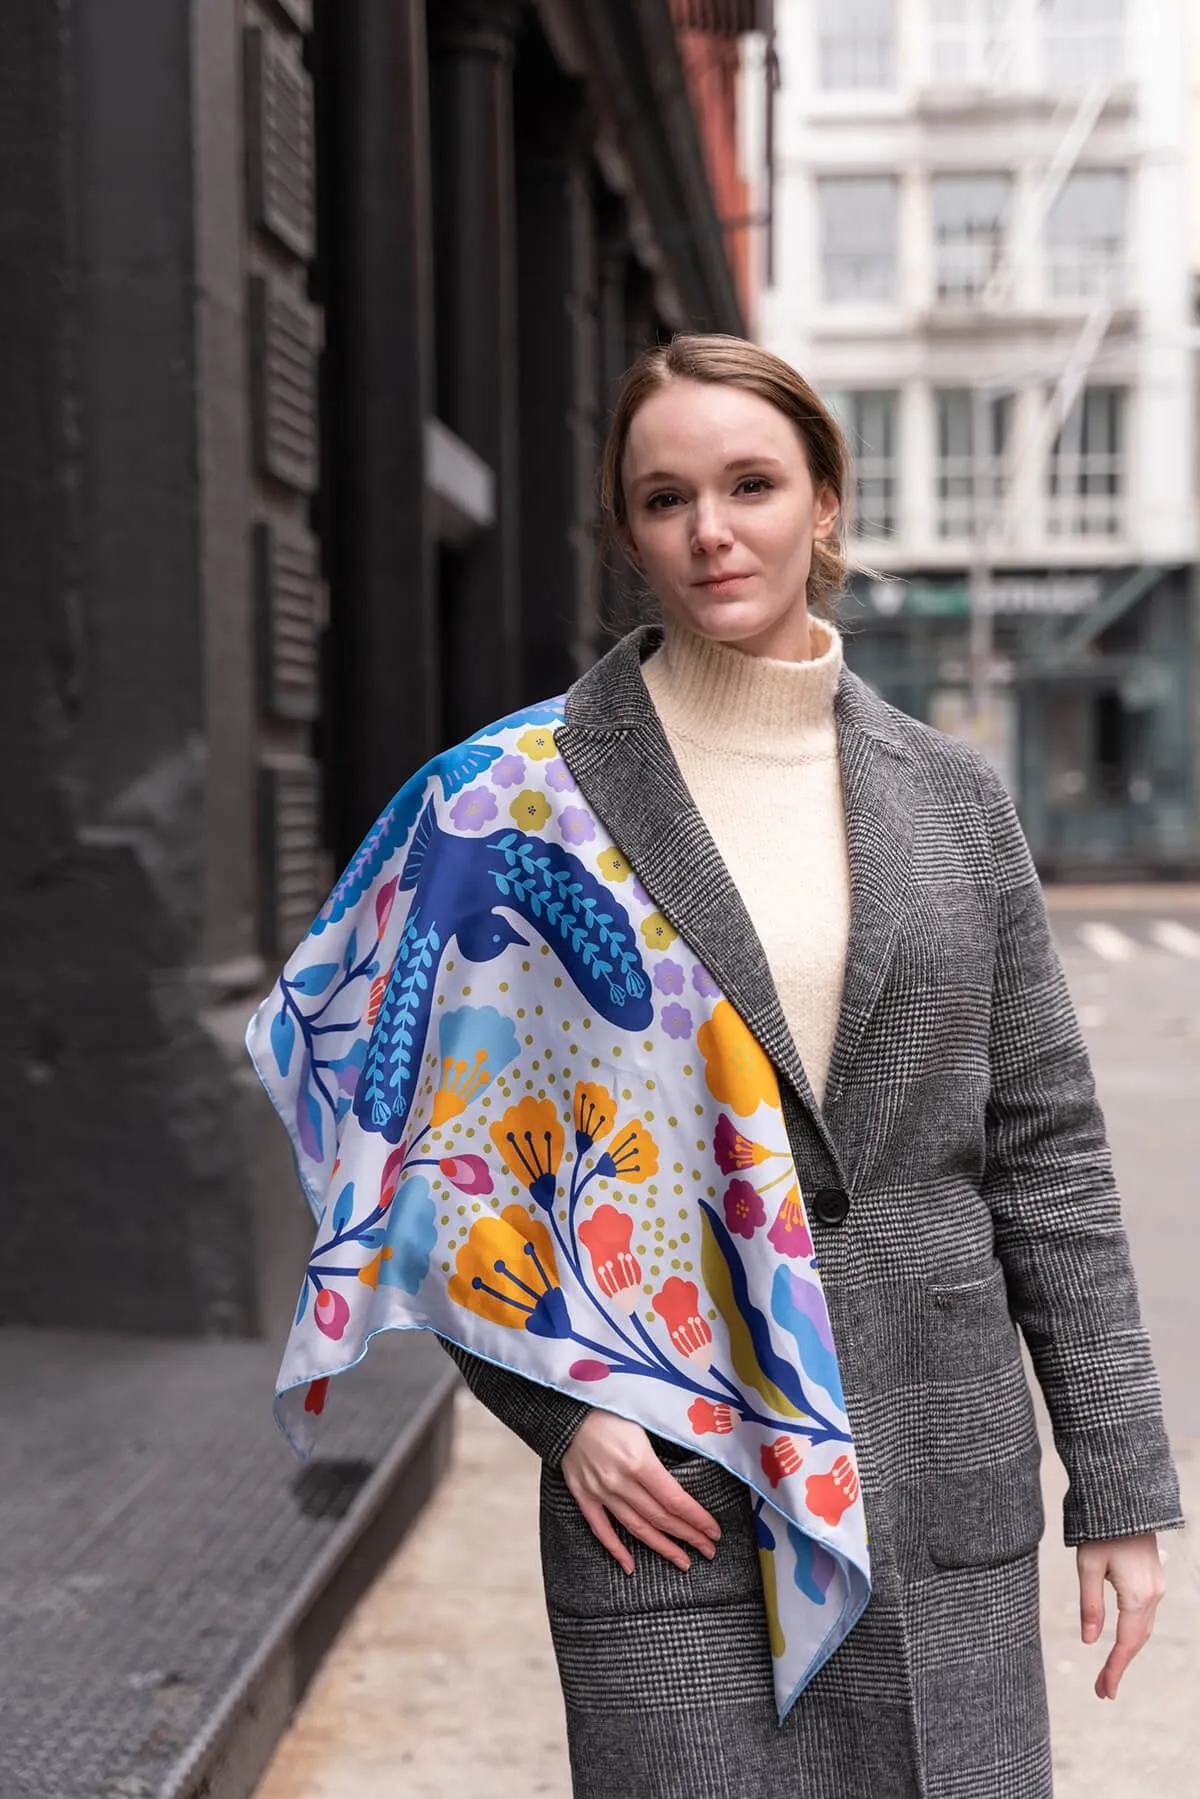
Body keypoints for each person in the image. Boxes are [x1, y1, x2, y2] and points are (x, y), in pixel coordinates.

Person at [250, 334, 1181, 1799]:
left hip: (936, 1454)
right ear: (626, 528)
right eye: (665, 495)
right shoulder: (515, 803)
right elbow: (423, 1148)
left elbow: (1045, 1150)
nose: (711, 529)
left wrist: (1117, 1486)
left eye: (751, 483)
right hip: (670, 1470)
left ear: (824, 499)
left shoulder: (953, 802)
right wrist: (560, 1410)